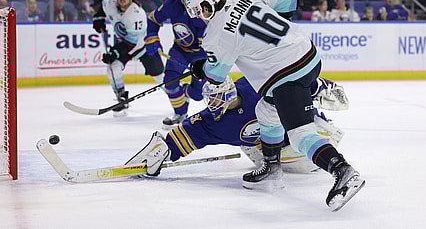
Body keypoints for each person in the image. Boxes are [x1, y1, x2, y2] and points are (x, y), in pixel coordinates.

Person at [184, 0, 365, 211]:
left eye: (199, 10)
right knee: (266, 111)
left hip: (285, 75)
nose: (199, 15)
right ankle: (272, 167)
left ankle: (343, 171)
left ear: (206, 5)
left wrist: (199, 68)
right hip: (307, 54)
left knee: (300, 135)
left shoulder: (214, 36)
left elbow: (216, 76)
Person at [126, 75, 349, 177]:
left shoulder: (256, 85)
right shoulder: (212, 122)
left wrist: (319, 87)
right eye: (209, 100)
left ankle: (329, 158)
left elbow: (291, 80)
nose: (212, 105)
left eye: (215, 99)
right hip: (264, 149)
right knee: (275, 160)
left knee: (313, 138)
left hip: (300, 130)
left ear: (229, 93)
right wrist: (162, 153)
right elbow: (183, 137)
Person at [92, 0, 164, 117]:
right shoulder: (110, 3)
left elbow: (132, 42)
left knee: (161, 79)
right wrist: (99, 18)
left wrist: (115, 52)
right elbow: (103, 7)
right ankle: (122, 99)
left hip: (142, 46)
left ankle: (180, 95)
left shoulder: (136, 14)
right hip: (126, 44)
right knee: (112, 68)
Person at [144, 0, 207, 128]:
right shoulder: (172, 5)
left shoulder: (205, 10)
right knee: (169, 83)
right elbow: (153, 19)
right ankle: (180, 113)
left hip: (201, 54)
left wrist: (207, 60)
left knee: (198, 95)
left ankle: (187, 92)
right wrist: (152, 38)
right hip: (180, 50)